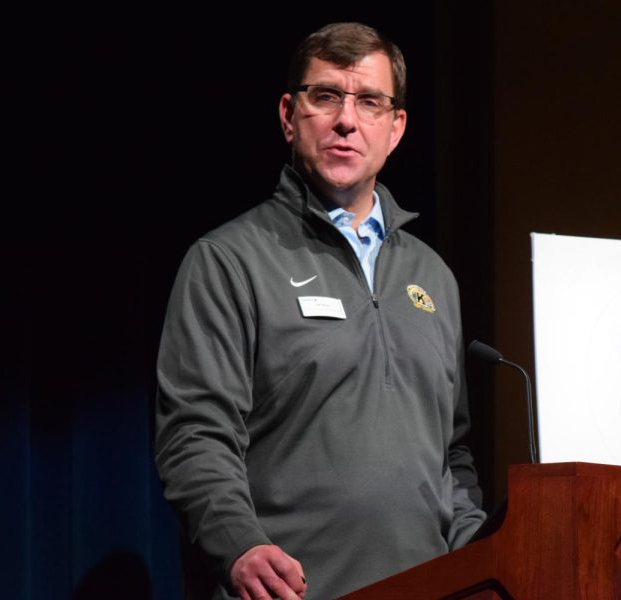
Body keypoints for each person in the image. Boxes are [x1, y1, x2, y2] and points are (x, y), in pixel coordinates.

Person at [155, 22, 485, 600]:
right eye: (326, 96)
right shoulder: (229, 260)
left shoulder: (434, 278)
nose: (346, 120)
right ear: (289, 115)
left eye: (369, 102)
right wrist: (239, 545)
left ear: (396, 127)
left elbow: (451, 457)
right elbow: (195, 436)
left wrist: (480, 563)